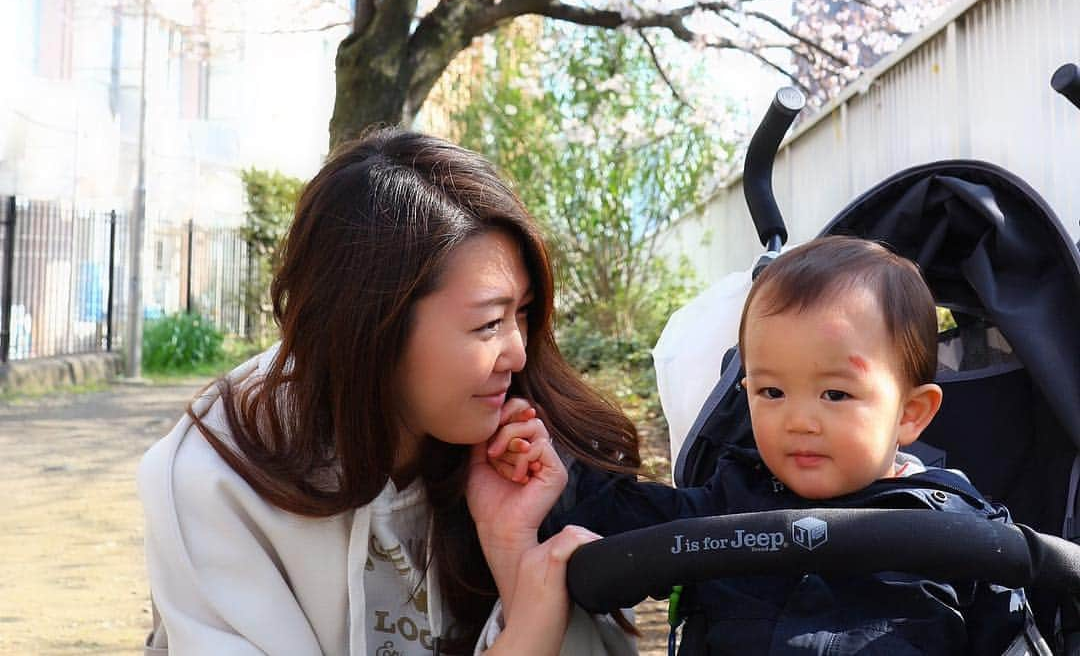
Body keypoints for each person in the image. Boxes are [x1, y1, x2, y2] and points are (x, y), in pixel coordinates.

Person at [137, 129, 640, 656]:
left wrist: (513, 549)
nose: (517, 352)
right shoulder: (218, 477)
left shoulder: (526, 462)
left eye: (523, 313)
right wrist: (527, 637)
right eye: (488, 323)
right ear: (372, 324)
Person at [528, 236, 1048, 654]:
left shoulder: (964, 534)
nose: (799, 420)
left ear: (911, 414)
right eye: (771, 391)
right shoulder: (726, 503)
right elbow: (613, 522)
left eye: (836, 394)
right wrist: (555, 469)